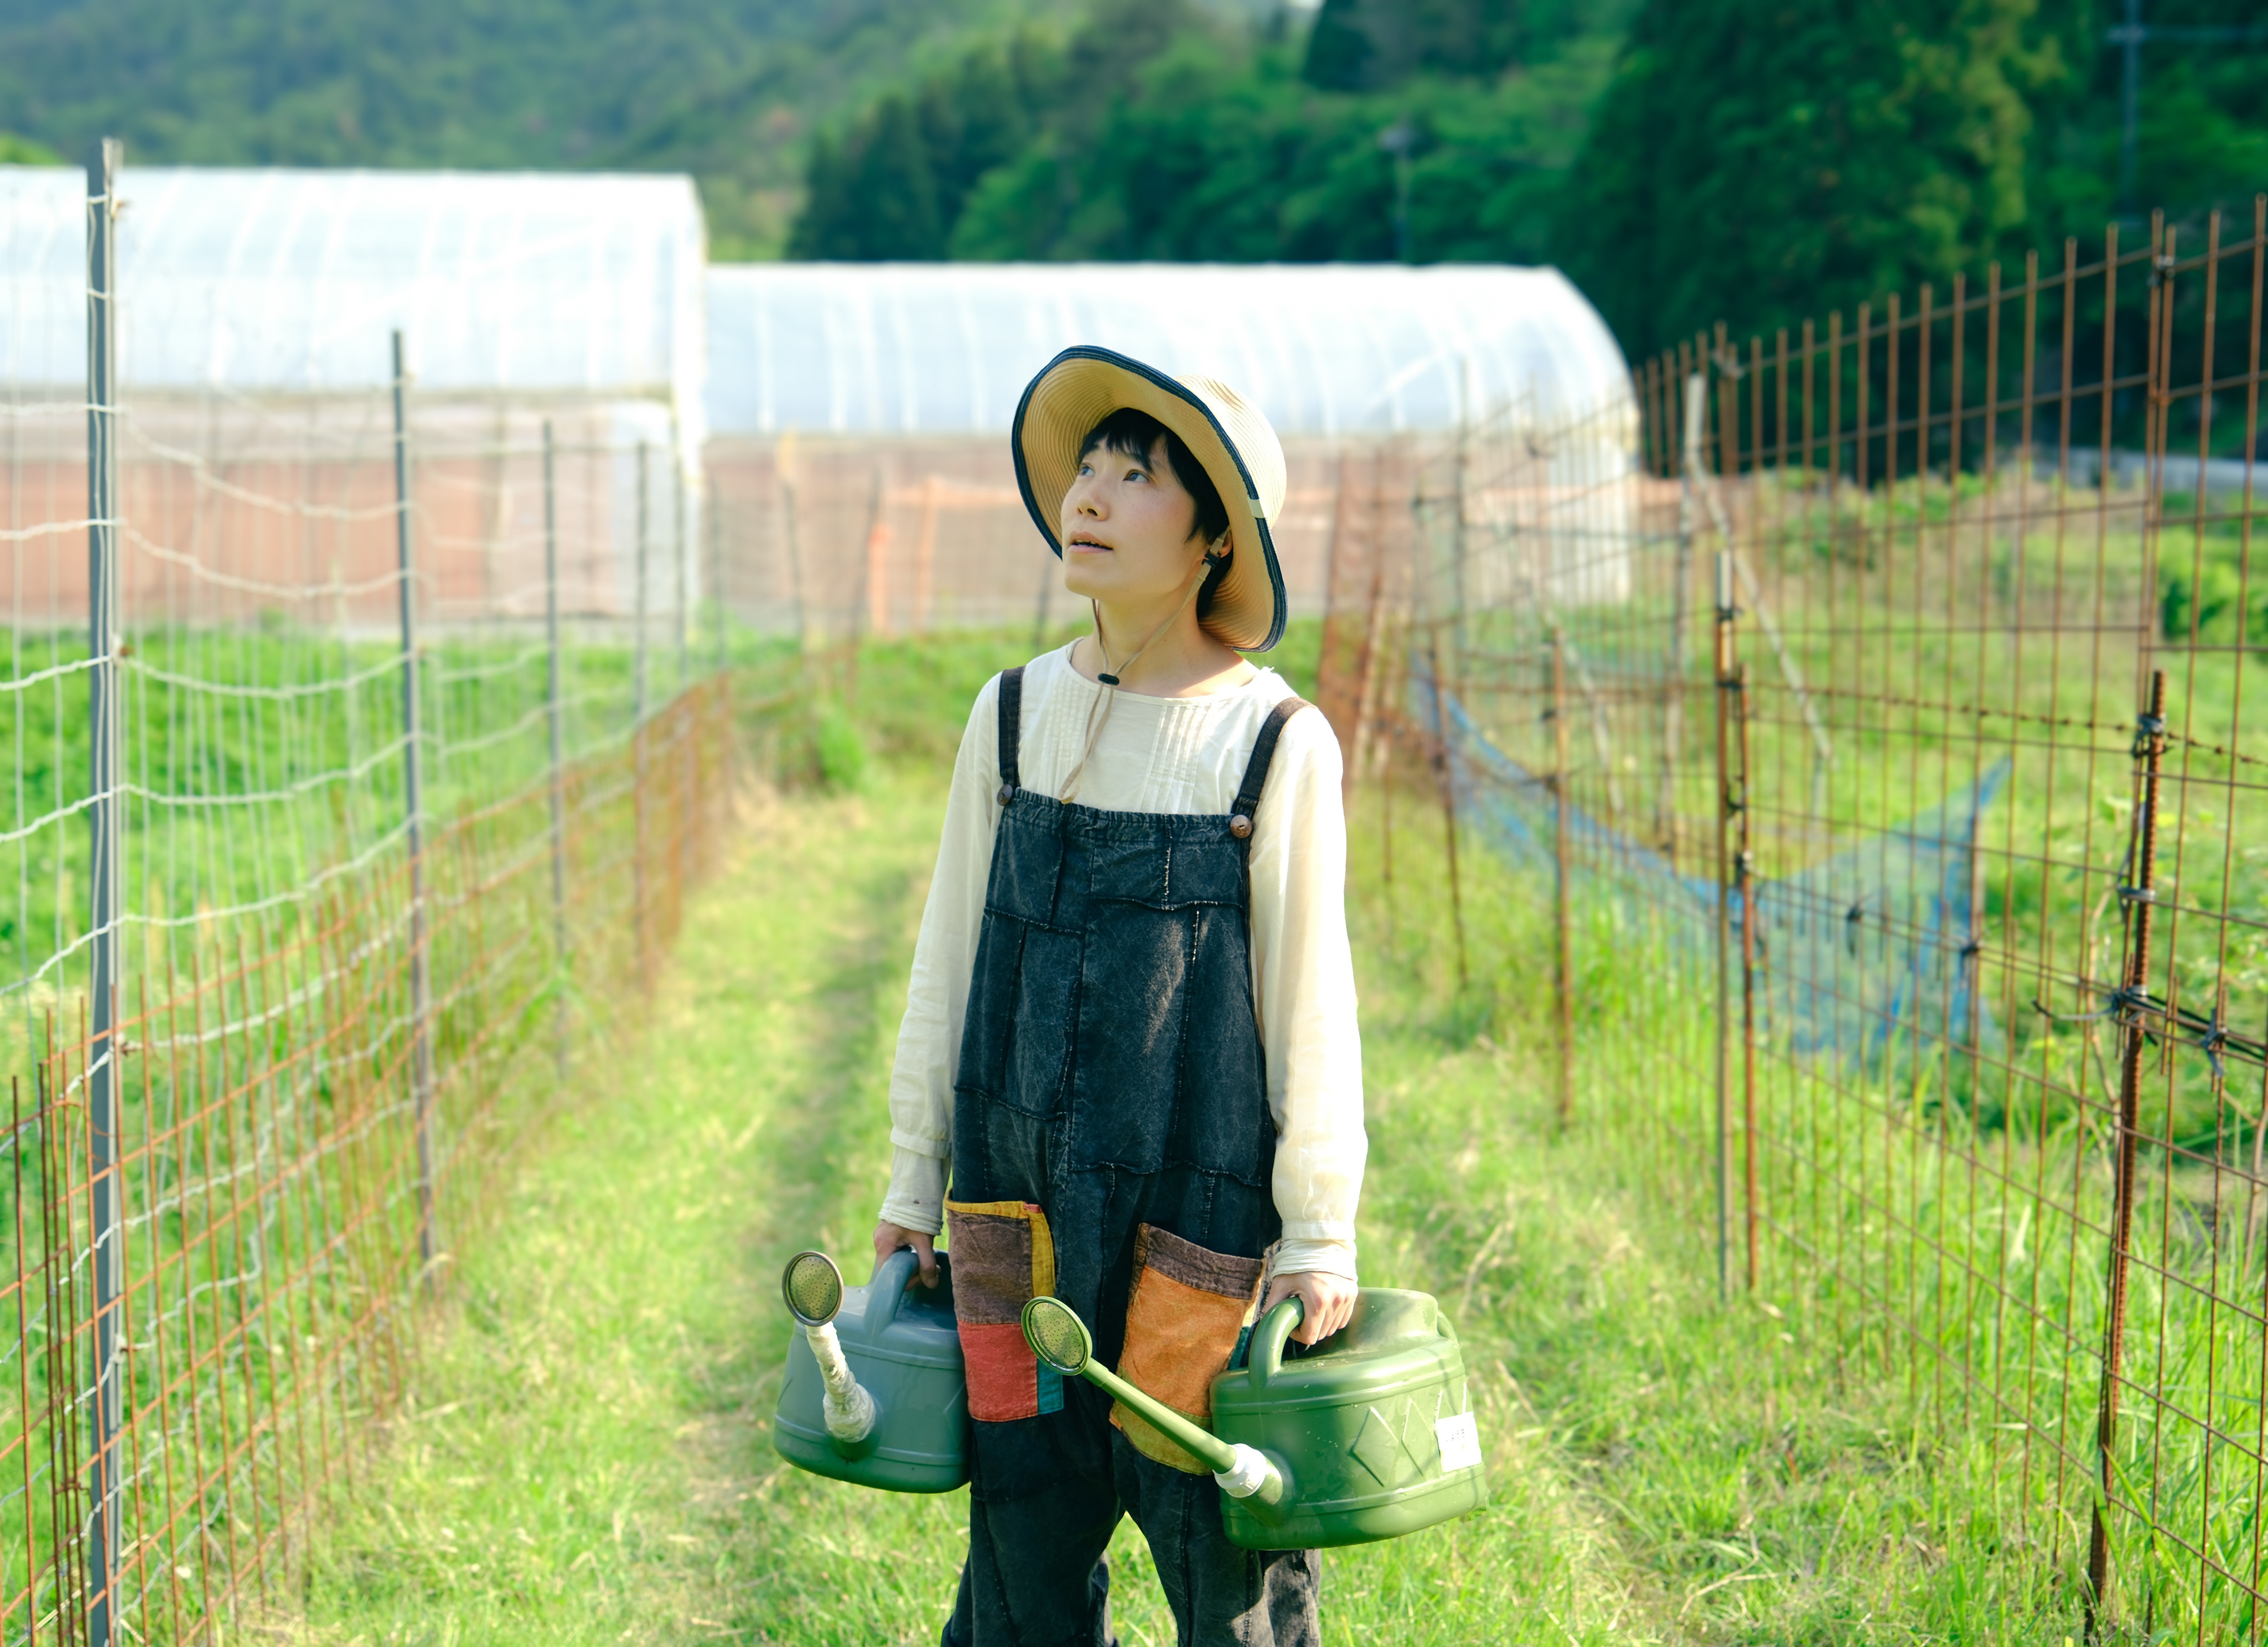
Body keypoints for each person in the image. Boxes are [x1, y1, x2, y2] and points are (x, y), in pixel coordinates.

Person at [872, 346, 1367, 1646]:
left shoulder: (1274, 740)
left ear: (1214, 535)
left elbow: (1312, 1000)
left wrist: (1319, 1231)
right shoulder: (1012, 714)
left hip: (1198, 1222)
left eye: (1137, 475)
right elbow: (945, 961)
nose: (1089, 493)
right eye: (1088, 466)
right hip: (1012, 1211)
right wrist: (913, 1177)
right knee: (1020, 1553)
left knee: (1226, 1562)